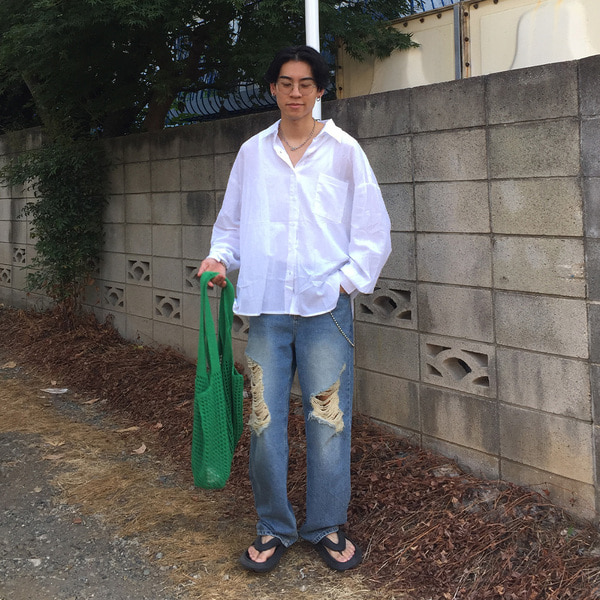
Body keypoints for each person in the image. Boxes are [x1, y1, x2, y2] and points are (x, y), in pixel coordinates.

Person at [197, 45, 391, 573]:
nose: (295, 93)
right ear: (273, 89)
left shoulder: (344, 150)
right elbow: (231, 224)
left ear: (320, 90)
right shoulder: (252, 153)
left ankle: (326, 524)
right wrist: (219, 258)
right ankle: (273, 526)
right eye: (286, 83)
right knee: (264, 421)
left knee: (328, 421)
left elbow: (373, 230)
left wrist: (345, 284)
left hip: (325, 310)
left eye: (306, 84)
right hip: (266, 309)